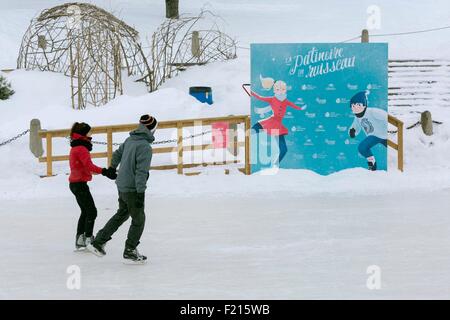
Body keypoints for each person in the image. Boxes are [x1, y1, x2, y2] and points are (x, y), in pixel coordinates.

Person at [87, 115, 157, 263]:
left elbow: (117, 154)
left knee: (122, 214)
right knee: (139, 219)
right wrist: (140, 193)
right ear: (152, 129)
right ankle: (130, 250)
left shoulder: (130, 140)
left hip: (122, 185)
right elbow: (141, 172)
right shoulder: (145, 147)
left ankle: (98, 242)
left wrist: (113, 167)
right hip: (132, 188)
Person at [69, 122, 117, 251]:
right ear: (84, 134)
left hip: (76, 183)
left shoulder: (77, 146)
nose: (91, 134)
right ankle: (89, 239)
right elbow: (89, 166)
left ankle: (80, 239)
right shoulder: (81, 148)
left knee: (86, 211)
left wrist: (101, 172)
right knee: (91, 212)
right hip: (79, 184)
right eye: (90, 132)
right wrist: (105, 171)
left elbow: (84, 167)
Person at [251, 80, 306, 166]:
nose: (280, 91)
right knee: (254, 130)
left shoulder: (285, 101)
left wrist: (301, 108)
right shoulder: (272, 99)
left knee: (284, 149)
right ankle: (244, 137)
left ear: (285, 90)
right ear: (274, 90)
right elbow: (260, 97)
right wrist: (251, 92)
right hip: (271, 121)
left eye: (282, 89)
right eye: (278, 89)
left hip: (278, 126)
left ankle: (275, 164)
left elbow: (293, 105)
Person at [348, 91, 388, 171]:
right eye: (353, 105)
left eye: (358, 105)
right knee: (362, 147)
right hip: (373, 136)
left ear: (364, 105)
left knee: (394, 148)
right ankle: (372, 164)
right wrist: (352, 132)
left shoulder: (372, 112)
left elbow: (386, 117)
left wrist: (390, 129)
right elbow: (355, 127)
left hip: (384, 134)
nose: (355, 107)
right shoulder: (357, 117)